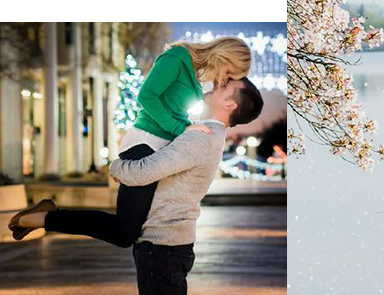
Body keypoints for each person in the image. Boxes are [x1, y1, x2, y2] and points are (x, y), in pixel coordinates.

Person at [8, 36, 251, 244]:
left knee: (126, 231)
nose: (223, 79)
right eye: (228, 72)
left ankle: (44, 217)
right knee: (125, 232)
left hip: (155, 148)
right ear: (224, 56)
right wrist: (183, 130)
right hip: (143, 145)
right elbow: (146, 97)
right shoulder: (177, 57)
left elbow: (174, 110)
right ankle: (43, 217)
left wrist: (185, 131)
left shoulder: (194, 74)